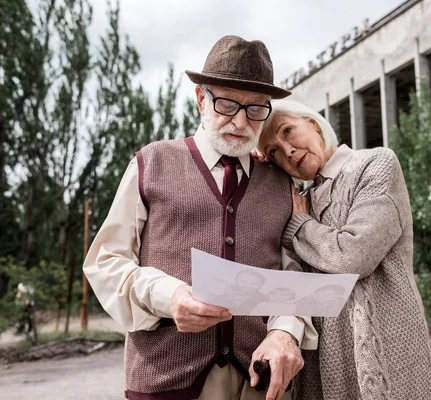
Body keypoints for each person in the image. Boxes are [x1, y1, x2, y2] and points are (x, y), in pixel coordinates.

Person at [83, 36, 317, 400]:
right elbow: (105, 262)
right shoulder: (152, 162)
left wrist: (285, 332)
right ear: (200, 99)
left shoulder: (279, 182)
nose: (241, 121)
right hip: (166, 381)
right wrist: (169, 296)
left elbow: (293, 275)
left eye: (256, 109)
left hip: (260, 381)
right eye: (227, 104)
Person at [257, 101, 431, 399]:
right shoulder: (296, 198)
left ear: (314, 125)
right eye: (274, 151)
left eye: (288, 131)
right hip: (322, 363)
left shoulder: (374, 164)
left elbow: (354, 255)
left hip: (385, 347)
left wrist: (300, 227)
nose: (287, 151)